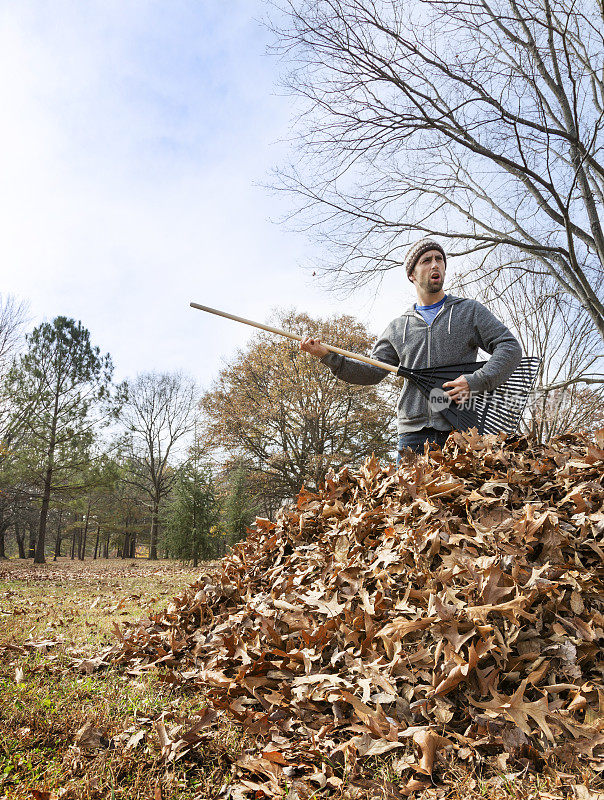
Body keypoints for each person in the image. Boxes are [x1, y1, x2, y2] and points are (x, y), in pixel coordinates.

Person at [300, 238, 523, 458]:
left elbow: (509, 347)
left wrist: (475, 381)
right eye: (426, 260)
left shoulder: (468, 311)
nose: (435, 264)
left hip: (460, 429)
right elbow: (372, 371)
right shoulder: (398, 327)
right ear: (412, 275)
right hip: (412, 436)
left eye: (439, 259)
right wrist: (328, 357)